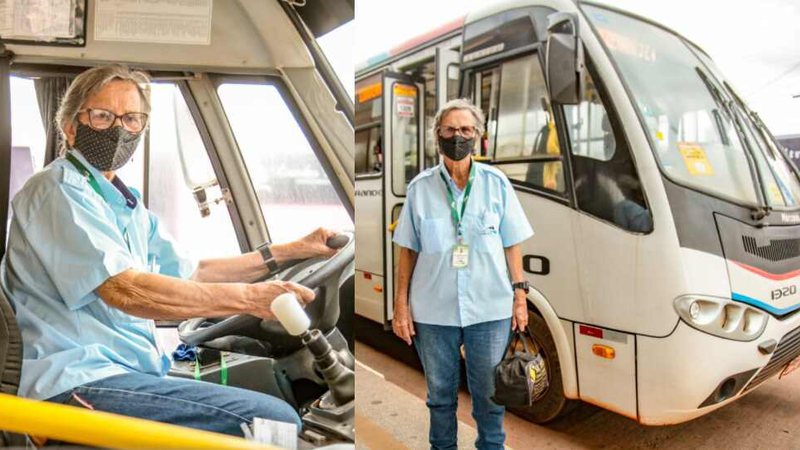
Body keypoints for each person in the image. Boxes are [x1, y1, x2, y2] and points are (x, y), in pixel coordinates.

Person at [0, 64, 340, 436]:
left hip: (125, 370)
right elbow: (125, 290)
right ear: (70, 126)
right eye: (102, 116)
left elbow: (193, 272)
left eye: (131, 118)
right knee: (272, 422)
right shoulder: (57, 190)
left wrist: (288, 251)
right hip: (75, 381)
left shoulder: (122, 201)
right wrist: (251, 299)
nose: (119, 128)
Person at [391, 99, 534, 450]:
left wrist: (520, 298)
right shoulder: (419, 188)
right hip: (433, 311)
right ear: (437, 136)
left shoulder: (495, 184)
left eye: (466, 130)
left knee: (489, 399)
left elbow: (512, 244)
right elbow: (407, 251)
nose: (458, 136)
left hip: (489, 309)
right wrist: (401, 306)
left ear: (478, 136)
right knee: (440, 398)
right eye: (450, 130)